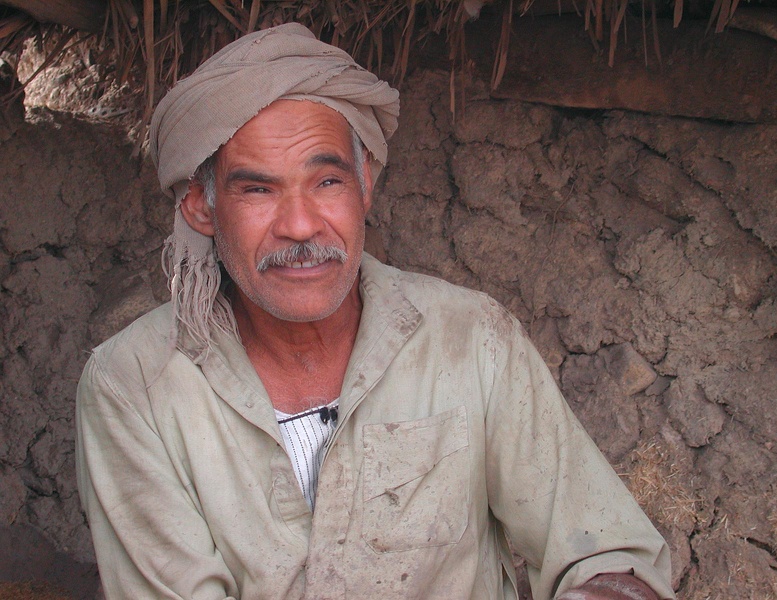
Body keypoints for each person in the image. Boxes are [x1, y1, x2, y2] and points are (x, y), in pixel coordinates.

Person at [75, 23, 675, 600]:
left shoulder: (470, 338)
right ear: (201, 208)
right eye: (257, 189)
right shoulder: (136, 385)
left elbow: (606, 552)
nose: (301, 225)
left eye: (327, 181)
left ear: (365, 182)